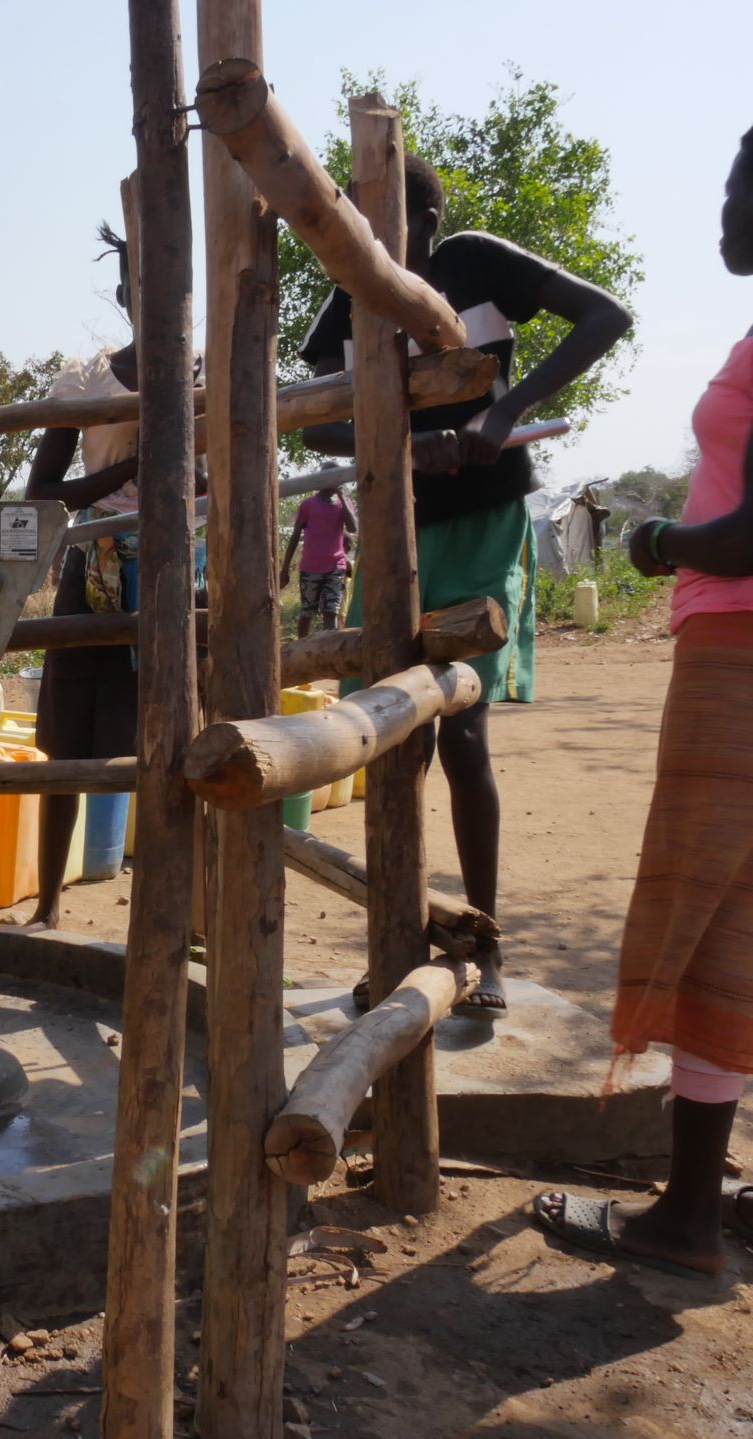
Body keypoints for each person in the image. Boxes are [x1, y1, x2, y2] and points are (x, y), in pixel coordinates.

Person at [299, 154, 632, 1012]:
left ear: (426, 221)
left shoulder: (477, 261)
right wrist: (403, 443)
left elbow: (606, 315)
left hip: (483, 522)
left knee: (462, 731)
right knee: (392, 735)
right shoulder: (349, 292)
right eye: (351, 217)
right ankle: (400, 940)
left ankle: (486, 944)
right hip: (395, 526)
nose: (361, 233)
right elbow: (316, 425)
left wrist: (504, 409)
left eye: (377, 215)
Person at [533, 129, 753, 1276]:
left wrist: (661, 540)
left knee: (713, 920)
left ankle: (687, 1220)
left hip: (740, 644)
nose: (726, 210)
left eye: (740, 188)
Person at [19, 223, 201, 929]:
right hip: (91, 570)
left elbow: (218, 479)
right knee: (68, 736)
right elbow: (42, 490)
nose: (153, 298)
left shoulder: (208, 375)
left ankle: (181, 914)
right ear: (125, 296)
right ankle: (49, 904)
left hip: (174, 567)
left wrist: (174, 474)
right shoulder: (88, 377)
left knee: (176, 734)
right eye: (139, 286)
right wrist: (132, 469)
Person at [280, 484, 358, 637]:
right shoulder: (308, 505)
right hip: (311, 568)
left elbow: (353, 528)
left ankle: (329, 648)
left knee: (331, 612)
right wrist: (285, 569)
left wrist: (342, 497)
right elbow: (295, 536)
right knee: (307, 613)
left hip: (335, 567)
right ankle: (301, 647)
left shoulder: (344, 504)